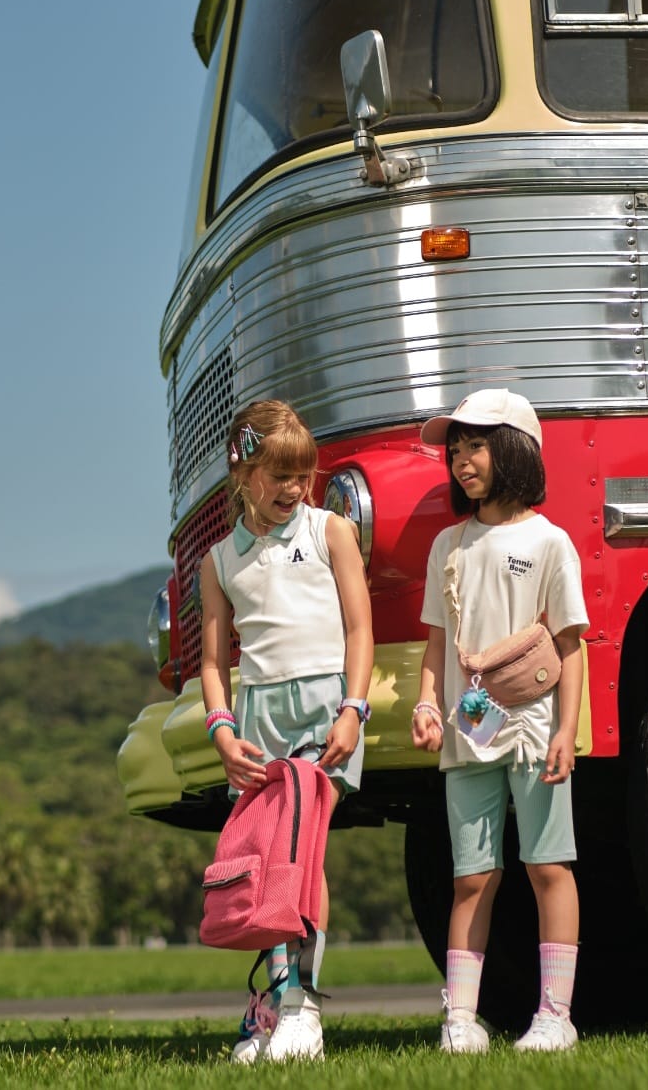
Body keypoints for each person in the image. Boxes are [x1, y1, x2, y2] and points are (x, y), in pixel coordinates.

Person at [411, 388, 588, 1054]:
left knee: (548, 866)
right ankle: (460, 1018)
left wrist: (567, 731)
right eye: (454, 452)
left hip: (537, 730)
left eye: (475, 447)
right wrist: (429, 705)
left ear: (513, 450)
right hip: (468, 732)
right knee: (471, 877)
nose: (462, 463)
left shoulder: (550, 542)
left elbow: (570, 645)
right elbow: (436, 645)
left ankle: (555, 1014)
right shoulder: (448, 547)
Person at [198, 399, 374, 1063]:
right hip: (257, 719)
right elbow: (216, 661)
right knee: (268, 861)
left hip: (325, 710)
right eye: (279, 475)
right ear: (242, 472)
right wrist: (220, 730)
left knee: (302, 857)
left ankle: (304, 1009)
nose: (294, 489)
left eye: (303, 475)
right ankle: (275, 1004)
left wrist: (354, 709)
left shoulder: (331, 531)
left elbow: (360, 628)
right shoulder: (218, 561)